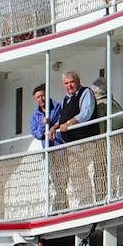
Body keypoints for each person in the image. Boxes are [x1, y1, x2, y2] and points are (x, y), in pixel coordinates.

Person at [50, 70, 101, 205]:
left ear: (78, 81)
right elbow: (63, 118)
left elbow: (86, 113)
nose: (69, 85)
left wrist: (69, 123)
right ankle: (85, 202)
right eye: (66, 83)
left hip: (85, 141)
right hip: (72, 144)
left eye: (71, 82)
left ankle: (87, 203)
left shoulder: (86, 93)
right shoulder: (67, 98)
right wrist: (56, 126)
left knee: (78, 171)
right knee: (75, 173)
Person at [28, 83, 59, 148]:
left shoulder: (58, 107)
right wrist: (43, 124)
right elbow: (37, 135)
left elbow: (63, 120)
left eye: (42, 96)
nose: (41, 99)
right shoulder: (35, 116)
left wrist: (54, 126)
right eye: (38, 97)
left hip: (60, 144)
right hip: (46, 148)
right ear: (35, 99)